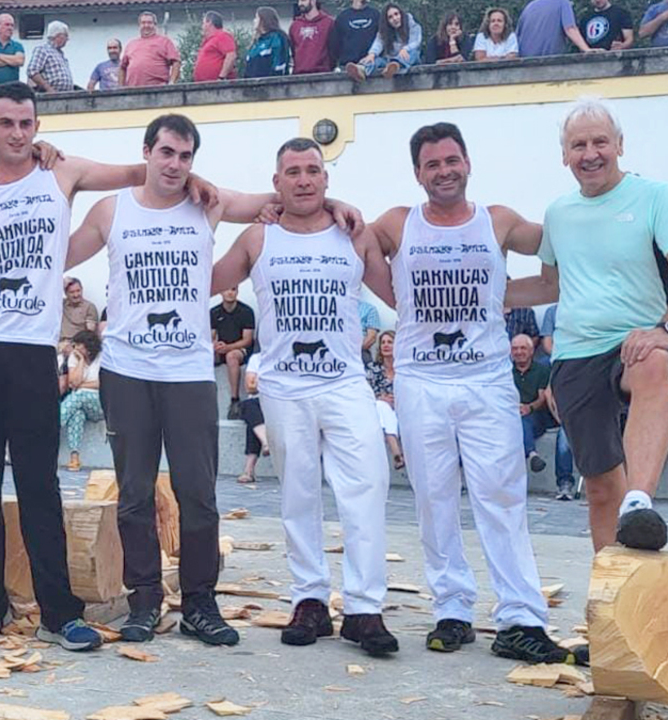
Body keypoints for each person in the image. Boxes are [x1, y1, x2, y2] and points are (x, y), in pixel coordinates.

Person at [66, 115, 353, 648]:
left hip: (190, 373)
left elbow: (282, 200)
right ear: (147, 152)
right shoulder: (111, 210)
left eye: (186, 156)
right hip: (128, 371)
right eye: (167, 152)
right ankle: (144, 600)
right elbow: (57, 257)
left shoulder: (209, 203)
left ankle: (200, 602)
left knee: (197, 494)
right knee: (134, 494)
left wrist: (334, 204)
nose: (176, 165)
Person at [0, 82, 166, 650]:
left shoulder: (61, 172)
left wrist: (196, 182)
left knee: (40, 483)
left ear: (37, 126)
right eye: (6, 123)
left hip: (34, 352)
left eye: (26, 123)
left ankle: (59, 613)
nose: (18, 133)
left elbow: (138, 173)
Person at [371, 122, 583, 664]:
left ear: (467, 163)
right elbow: (351, 244)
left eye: (452, 160)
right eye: (432, 164)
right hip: (421, 381)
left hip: (487, 380)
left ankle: (521, 618)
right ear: (417, 173)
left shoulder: (498, 220)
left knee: (503, 496)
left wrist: (503, 293)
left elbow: (560, 246)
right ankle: (452, 608)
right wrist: (395, 295)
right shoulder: (398, 222)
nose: (444, 171)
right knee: (433, 498)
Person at [212, 137, 399, 658]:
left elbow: (397, 294)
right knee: (298, 494)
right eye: (292, 172)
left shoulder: (352, 233)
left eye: (312, 170)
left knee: (367, 485)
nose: (303, 180)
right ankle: (310, 599)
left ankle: (364, 608)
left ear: (325, 178)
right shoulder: (258, 237)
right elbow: (204, 280)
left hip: (344, 382)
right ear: (277, 182)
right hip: (284, 385)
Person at [507, 98, 668, 552]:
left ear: (620, 144)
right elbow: (549, 285)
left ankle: (639, 501)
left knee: (654, 362)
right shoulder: (559, 212)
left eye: (600, 142)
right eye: (578, 145)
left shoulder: (656, 197)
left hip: (633, 342)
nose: (590, 154)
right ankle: (612, 586)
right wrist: (483, 293)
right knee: (600, 490)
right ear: (564, 155)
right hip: (574, 354)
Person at [60, 330, 103, 471]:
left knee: (80, 394)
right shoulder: (75, 358)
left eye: (80, 345)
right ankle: (74, 458)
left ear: (89, 346)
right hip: (80, 401)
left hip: (100, 403)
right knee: (77, 414)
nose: (76, 348)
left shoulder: (103, 358)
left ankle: (52, 426)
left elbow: (103, 384)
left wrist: (81, 386)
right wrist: (81, 361)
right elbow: (73, 382)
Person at [211, 287, 256, 420]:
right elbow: (210, 336)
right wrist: (215, 345)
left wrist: (228, 347)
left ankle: (234, 400)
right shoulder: (214, 312)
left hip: (240, 349)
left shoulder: (246, 311)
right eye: (226, 290)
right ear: (221, 292)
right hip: (222, 348)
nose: (230, 293)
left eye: (233, 289)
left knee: (231, 356)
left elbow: (247, 340)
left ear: (237, 292)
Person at [347, 3, 421, 80]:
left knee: (413, 53)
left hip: (408, 57)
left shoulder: (411, 23)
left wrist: (405, 49)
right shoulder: (385, 30)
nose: (395, 18)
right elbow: (378, 42)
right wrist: (372, 54)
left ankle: (397, 65)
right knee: (375, 59)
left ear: (401, 14)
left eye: (396, 14)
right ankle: (362, 69)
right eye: (390, 17)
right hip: (390, 60)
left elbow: (415, 41)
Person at [512, 334, 552, 475]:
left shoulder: (542, 370)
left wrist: (529, 407)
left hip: (536, 415)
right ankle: (532, 455)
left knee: (523, 421)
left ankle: (531, 454)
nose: (519, 352)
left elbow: (542, 398)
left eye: (523, 348)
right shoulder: (505, 373)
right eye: (515, 348)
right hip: (510, 414)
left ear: (531, 351)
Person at [367, 330, 404, 469]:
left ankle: (398, 453)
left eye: (390, 342)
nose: (386, 345)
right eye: (383, 342)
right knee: (381, 406)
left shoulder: (404, 368)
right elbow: (365, 392)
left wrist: (398, 401)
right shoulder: (373, 368)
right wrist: (380, 397)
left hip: (403, 407)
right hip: (381, 409)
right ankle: (396, 452)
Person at [121, 12, 180, 87]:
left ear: (155, 25)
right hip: (134, 90)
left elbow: (176, 62)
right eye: (143, 23)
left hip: (158, 89)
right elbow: (122, 68)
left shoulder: (165, 41)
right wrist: (121, 88)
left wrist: (172, 82)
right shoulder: (131, 44)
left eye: (149, 23)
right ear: (139, 25)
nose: (146, 25)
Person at [516, 0, 595, 56]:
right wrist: (586, 49)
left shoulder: (529, 7)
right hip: (549, 62)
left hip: (525, 64)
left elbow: (517, 37)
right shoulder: (562, 3)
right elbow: (570, 29)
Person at [236, 352, 268, 484]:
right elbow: (250, 387)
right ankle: (266, 441)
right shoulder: (257, 358)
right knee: (249, 407)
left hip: (279, 402)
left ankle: (248, 470)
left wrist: (259, 381)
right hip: (258, 401)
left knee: (253, 420)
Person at [332, 0, 382, 70]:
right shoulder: (342, 17)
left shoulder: (376, 15)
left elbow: (382, 39)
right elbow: (335, 44)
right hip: (347, 67)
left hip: (372, 65)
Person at [291, 0, 336, 75]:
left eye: (303, 0)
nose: (300, 4)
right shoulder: (295, 25)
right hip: (299, 74)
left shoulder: (328, 23)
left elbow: (334, 49)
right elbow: (293, 50)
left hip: (323, 74)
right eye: (299, 1)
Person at [27, 21, 74, 93]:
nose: (67, 39)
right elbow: (32, 71)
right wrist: (48, 88)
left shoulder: (60, 54)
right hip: (51, 96)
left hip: (65, 95)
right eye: (65, 36)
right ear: (56, 35)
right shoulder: (43, 50)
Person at [246, 7, 292, 78]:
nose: (254, 21)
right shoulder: (257, 42)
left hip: (271, 83)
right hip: (253, 83)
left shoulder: (277, 37)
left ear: (263, 20)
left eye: (256, 18)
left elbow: (279, 62)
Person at [194, 12, 238, 82]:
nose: (202, 26)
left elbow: (231, 56)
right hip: (206, 84)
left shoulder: (222, 36)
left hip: (218, 85)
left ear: (209, 22)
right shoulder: (209, 40)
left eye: (203, 23)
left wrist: (221, 77)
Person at [59, 277, 99, 351]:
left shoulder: (89, 307)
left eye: (78, 291)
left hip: (78, 345)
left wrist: (74, 346)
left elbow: (89, 334)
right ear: (66, 293)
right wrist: (61, 283)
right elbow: (48, 294)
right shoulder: (61, 304)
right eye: (72, 292)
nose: (76, 295)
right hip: (59, 343)